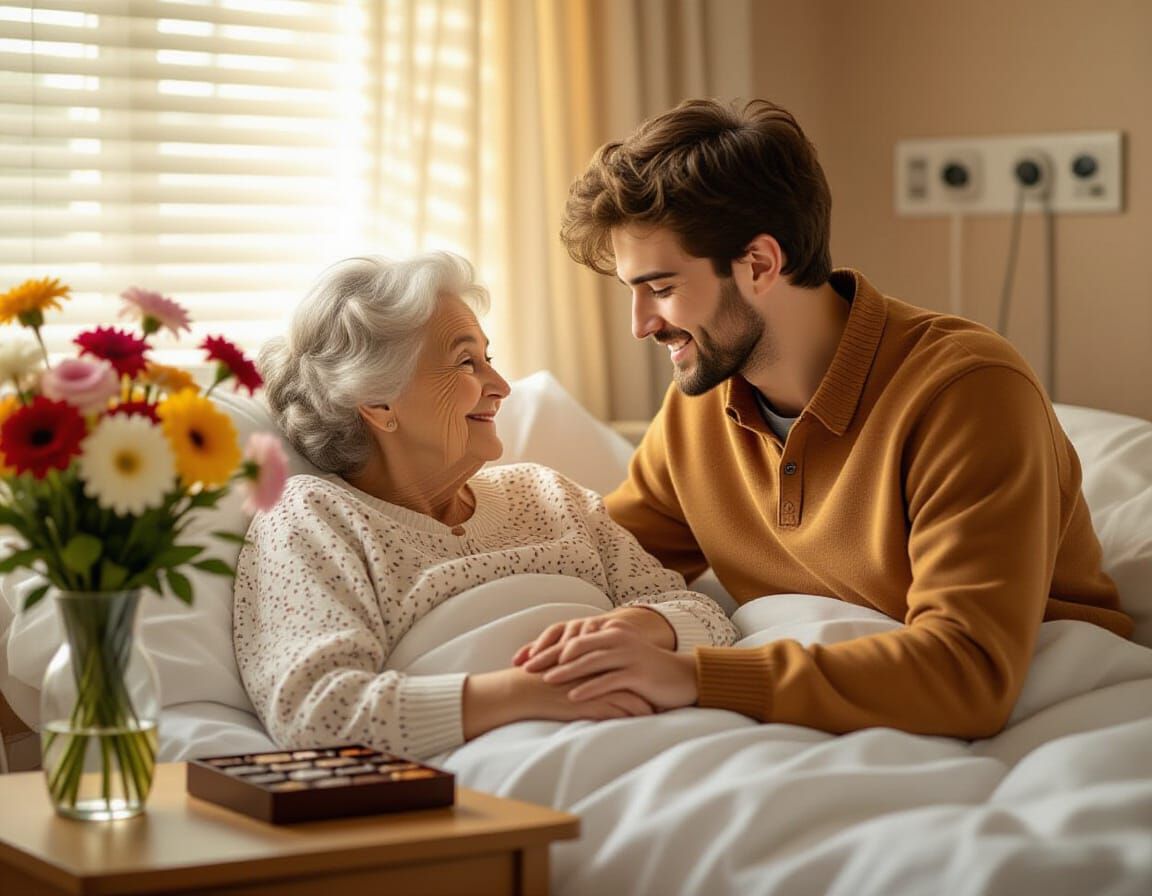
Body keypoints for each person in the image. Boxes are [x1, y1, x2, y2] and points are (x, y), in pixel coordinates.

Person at [518, 98, 1133, 739]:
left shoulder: (968, 393)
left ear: (759, 264)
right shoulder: (702, 401)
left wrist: (696, 677)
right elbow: (605, 561)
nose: (641, 325)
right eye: (633, 292)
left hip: (1043, 702)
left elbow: (967, 672)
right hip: (839, 693)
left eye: (663, 289)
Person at [233, 251, 737, 758]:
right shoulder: (316, 515)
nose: (500, 388)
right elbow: (317, 712)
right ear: (379, 403)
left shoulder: (547, 494)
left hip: (682, 735)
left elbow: (709, 619)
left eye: (488, 360)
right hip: (527, 760)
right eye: (465, 362)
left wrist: (637, 627)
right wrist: (529, 693)